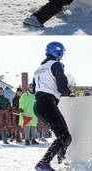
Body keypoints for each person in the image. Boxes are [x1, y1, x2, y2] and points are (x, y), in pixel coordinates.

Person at [33, 42, 71, 171]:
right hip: (48, 103)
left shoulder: (38, 69)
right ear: (58, 52)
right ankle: (44, 163)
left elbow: (34, 89)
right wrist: (68, 92)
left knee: (63, 136)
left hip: (38, 105)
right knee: (65, 136)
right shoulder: (56, 65)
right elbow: (62, 87)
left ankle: (61, 161)